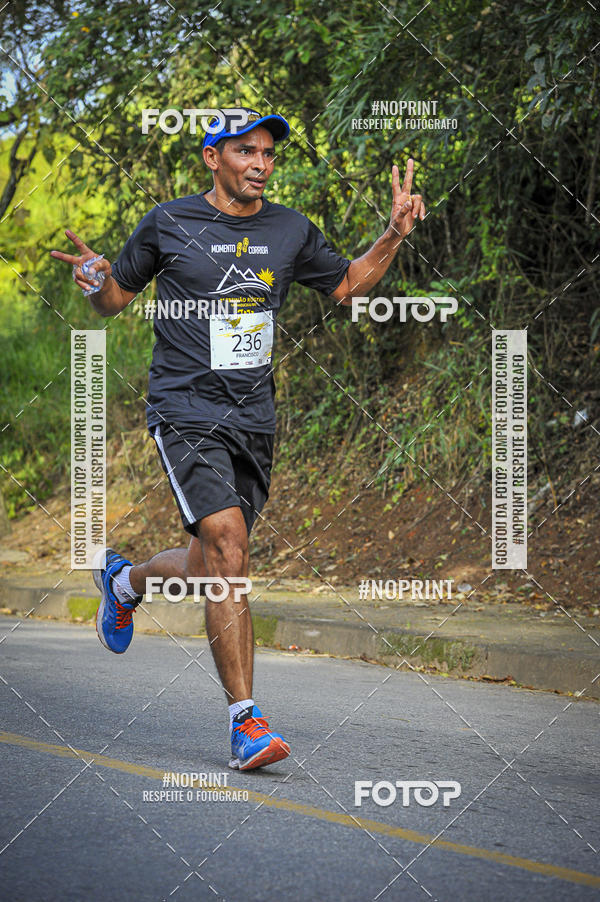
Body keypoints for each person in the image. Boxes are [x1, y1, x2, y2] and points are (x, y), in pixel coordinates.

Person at [50, 107, 425, 771]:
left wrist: (393, 234)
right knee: (229, 546)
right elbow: (113, 299)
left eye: (268, 154)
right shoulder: (168, 222)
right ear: (212, 157)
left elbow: (348, 284)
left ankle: (125, 581)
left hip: (253, 419)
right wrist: (93, 281)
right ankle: (246, 723)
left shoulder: (289, 228)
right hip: (184, 410)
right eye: (246, 151)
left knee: (209, 566)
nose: (260, 164)